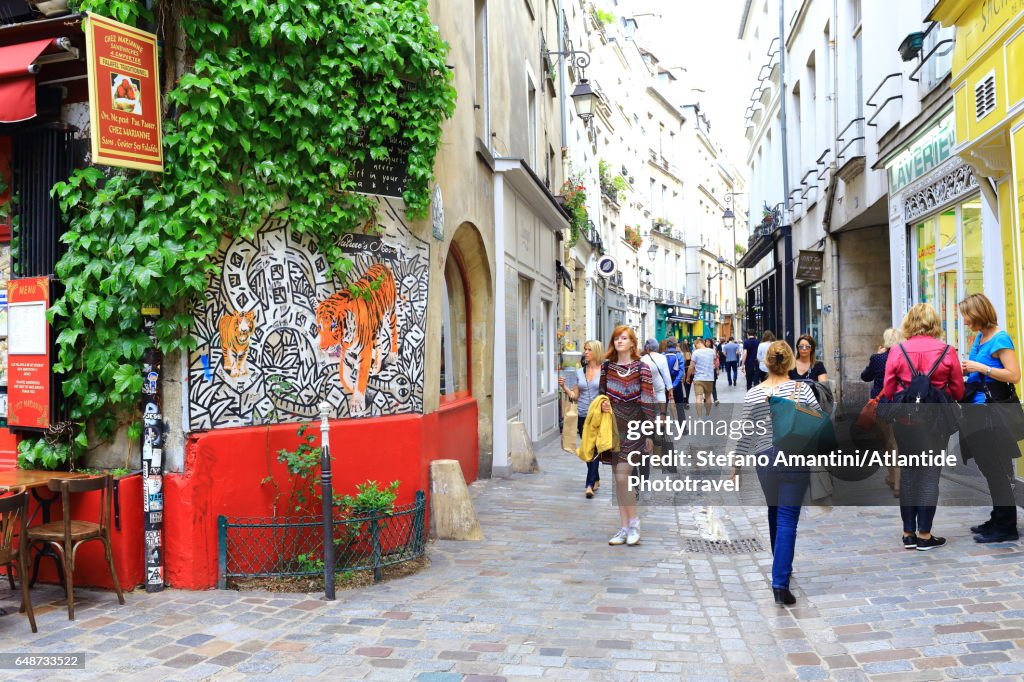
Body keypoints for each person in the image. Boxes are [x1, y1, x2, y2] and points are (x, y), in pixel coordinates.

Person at [736, 340, 818, 607]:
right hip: (794, 456)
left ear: (766, 363)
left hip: (764, 458)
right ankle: (780, 582)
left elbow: (744, 433)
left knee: (775, 509)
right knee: (787, 519)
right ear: (790, 362)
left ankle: (780, 564)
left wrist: (735, 465)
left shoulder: (753, 394)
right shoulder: (801, 389)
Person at [882, 303, 964, 551]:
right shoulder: (947, 351)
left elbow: (887, 390)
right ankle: (925, 535)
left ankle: (908, 533)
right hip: (935, 424)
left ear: (909, 323)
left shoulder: (897, 351)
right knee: (929, 474)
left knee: (909, 473)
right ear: (934, 323)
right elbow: (959, 391)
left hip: (905, 422)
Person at [958, 293, 1021, 543]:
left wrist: (980, 367)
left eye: (966, 316)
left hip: (991, 414)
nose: (964, 321)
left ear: (979, 314)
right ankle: (998, 517)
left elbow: (1014, 375)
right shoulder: (979, 338)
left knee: (996, 469)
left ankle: (1006, 527)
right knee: (988, 468)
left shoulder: (1000, 338)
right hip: (976, 412)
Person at [600, 325, 657, 546]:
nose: (619, 341)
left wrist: (650, 433)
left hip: (636, 428)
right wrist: (603, 407)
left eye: (624, 338)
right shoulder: (607, 368)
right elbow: (602, 396)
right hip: (613, 429)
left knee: (624, 476)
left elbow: (648, 400)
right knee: (618, 480)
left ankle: (634, 523)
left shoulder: (642, 368)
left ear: (633, 343)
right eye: (616, 338)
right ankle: (624, 527)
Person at [559, 339, 605, 499]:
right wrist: (564, 387)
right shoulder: (580, 372)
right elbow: (575, 396)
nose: (585, 352)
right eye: (585, 349)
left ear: (596, 352)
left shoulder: (604, 371)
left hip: (599, 416)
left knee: (594, 449)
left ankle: (589, 485)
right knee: (587, 449)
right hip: (583, 415)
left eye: (589, 349)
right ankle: (596, 478)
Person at [861, 328, 904, 496]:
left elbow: (865, 376)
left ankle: (893, 478)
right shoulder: (904, 357)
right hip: (900, 403)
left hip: (882, 404)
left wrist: (876, 355)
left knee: (886, 442)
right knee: (897, 443)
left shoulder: (878, 358)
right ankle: (897, 482)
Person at [686, 338, 716, 418]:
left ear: (699, 343)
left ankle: (699, 417)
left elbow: (691, 366)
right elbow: (713, 364)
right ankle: (708, 414)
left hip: (698, 378)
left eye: (695, 345)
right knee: (708, 396)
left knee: (698, 397)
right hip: (709, 378)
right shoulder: (712, 351)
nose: (695, 347)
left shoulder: (695, 352)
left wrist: (688, 377)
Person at [664, 338, 687, 415]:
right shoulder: (678, 355)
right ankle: (682, 426)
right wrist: (674, 384)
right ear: (675, 345)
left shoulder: (662, 355)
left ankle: (662, 425)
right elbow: (681, 371)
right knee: (679, 405)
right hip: (676, 382)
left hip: (665, 382)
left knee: (664, 406)